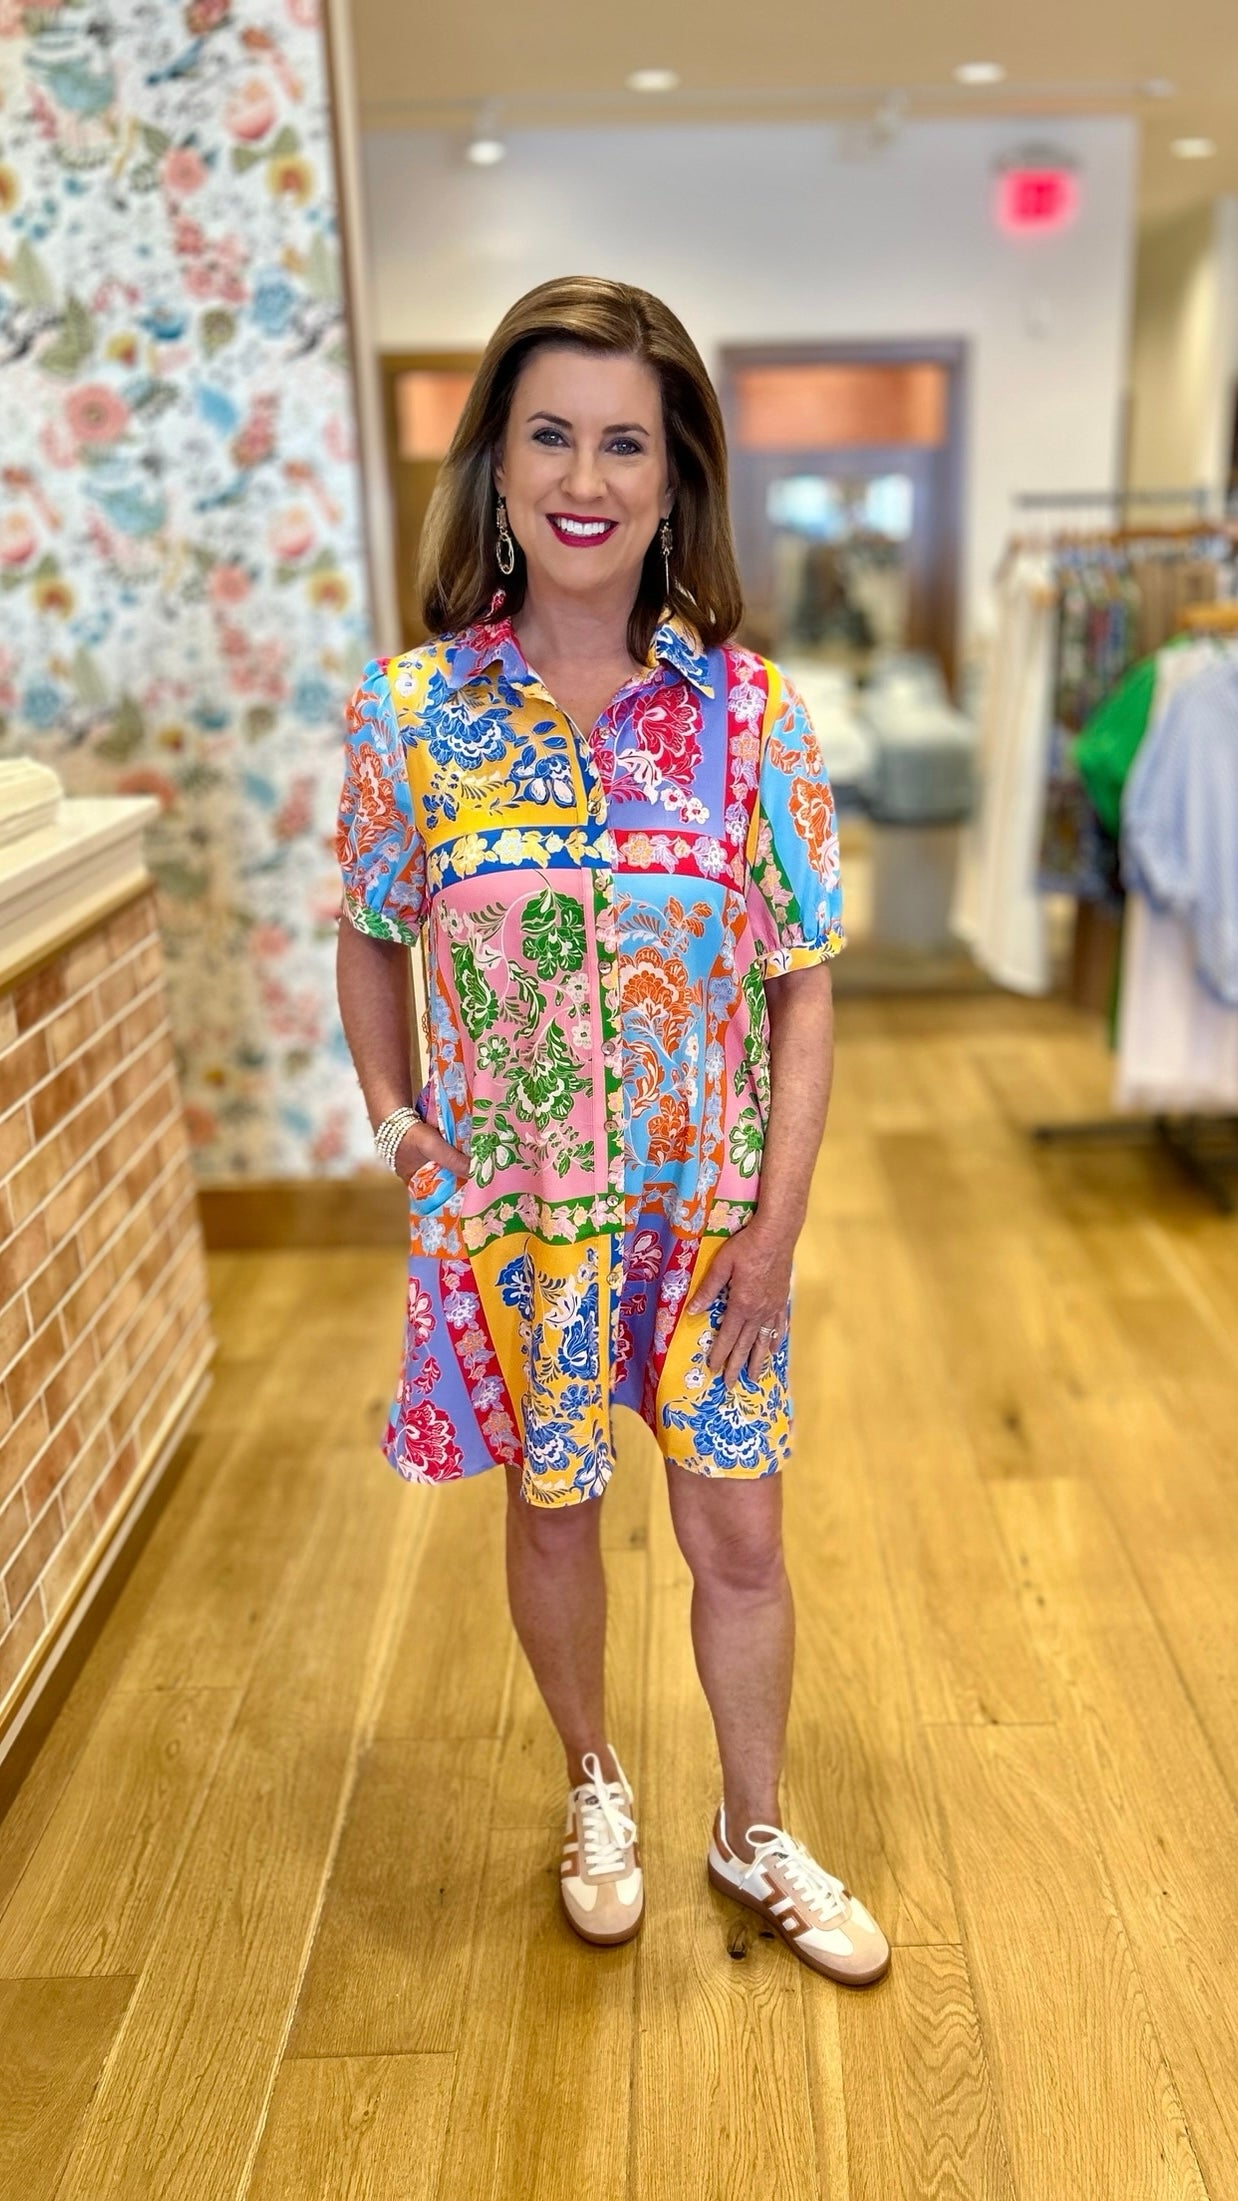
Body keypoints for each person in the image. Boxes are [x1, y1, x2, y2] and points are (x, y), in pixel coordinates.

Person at [335, 276, 889, 1988]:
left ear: (673, 479)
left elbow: (800, 985)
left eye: (626, 443)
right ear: (497, 468)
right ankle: (593, 1781)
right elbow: (370, 929)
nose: (586, 477)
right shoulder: (408, 715)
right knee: (555, 1510)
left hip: (706, 1219)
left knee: (740, 1535)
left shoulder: (752, 717)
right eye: (551, 436)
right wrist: (398, 1122)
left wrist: (776, 1227)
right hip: (520, 1223)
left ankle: (751, 1824)